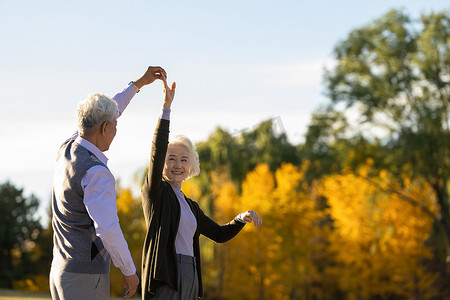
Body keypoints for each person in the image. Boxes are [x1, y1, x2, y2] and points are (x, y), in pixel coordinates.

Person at [140, 73, 263, 299]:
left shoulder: (191, 206)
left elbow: (218, 234)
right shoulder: (155, 192)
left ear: (191, 166)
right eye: (171, 158)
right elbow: (157, 152)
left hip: (191, 276)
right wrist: (166, 108)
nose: (177, 164)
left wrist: (239, 219)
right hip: (167, 277)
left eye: (184, 160)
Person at [50, 66, 166, 300]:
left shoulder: (68, 148)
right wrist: (130, 271)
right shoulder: (96, 173)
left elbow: (109, 110)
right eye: (114, 125)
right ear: (105, 128)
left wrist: (137, 85)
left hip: (61, 272)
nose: (116, 130)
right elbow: (108, 229)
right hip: (85, 278)